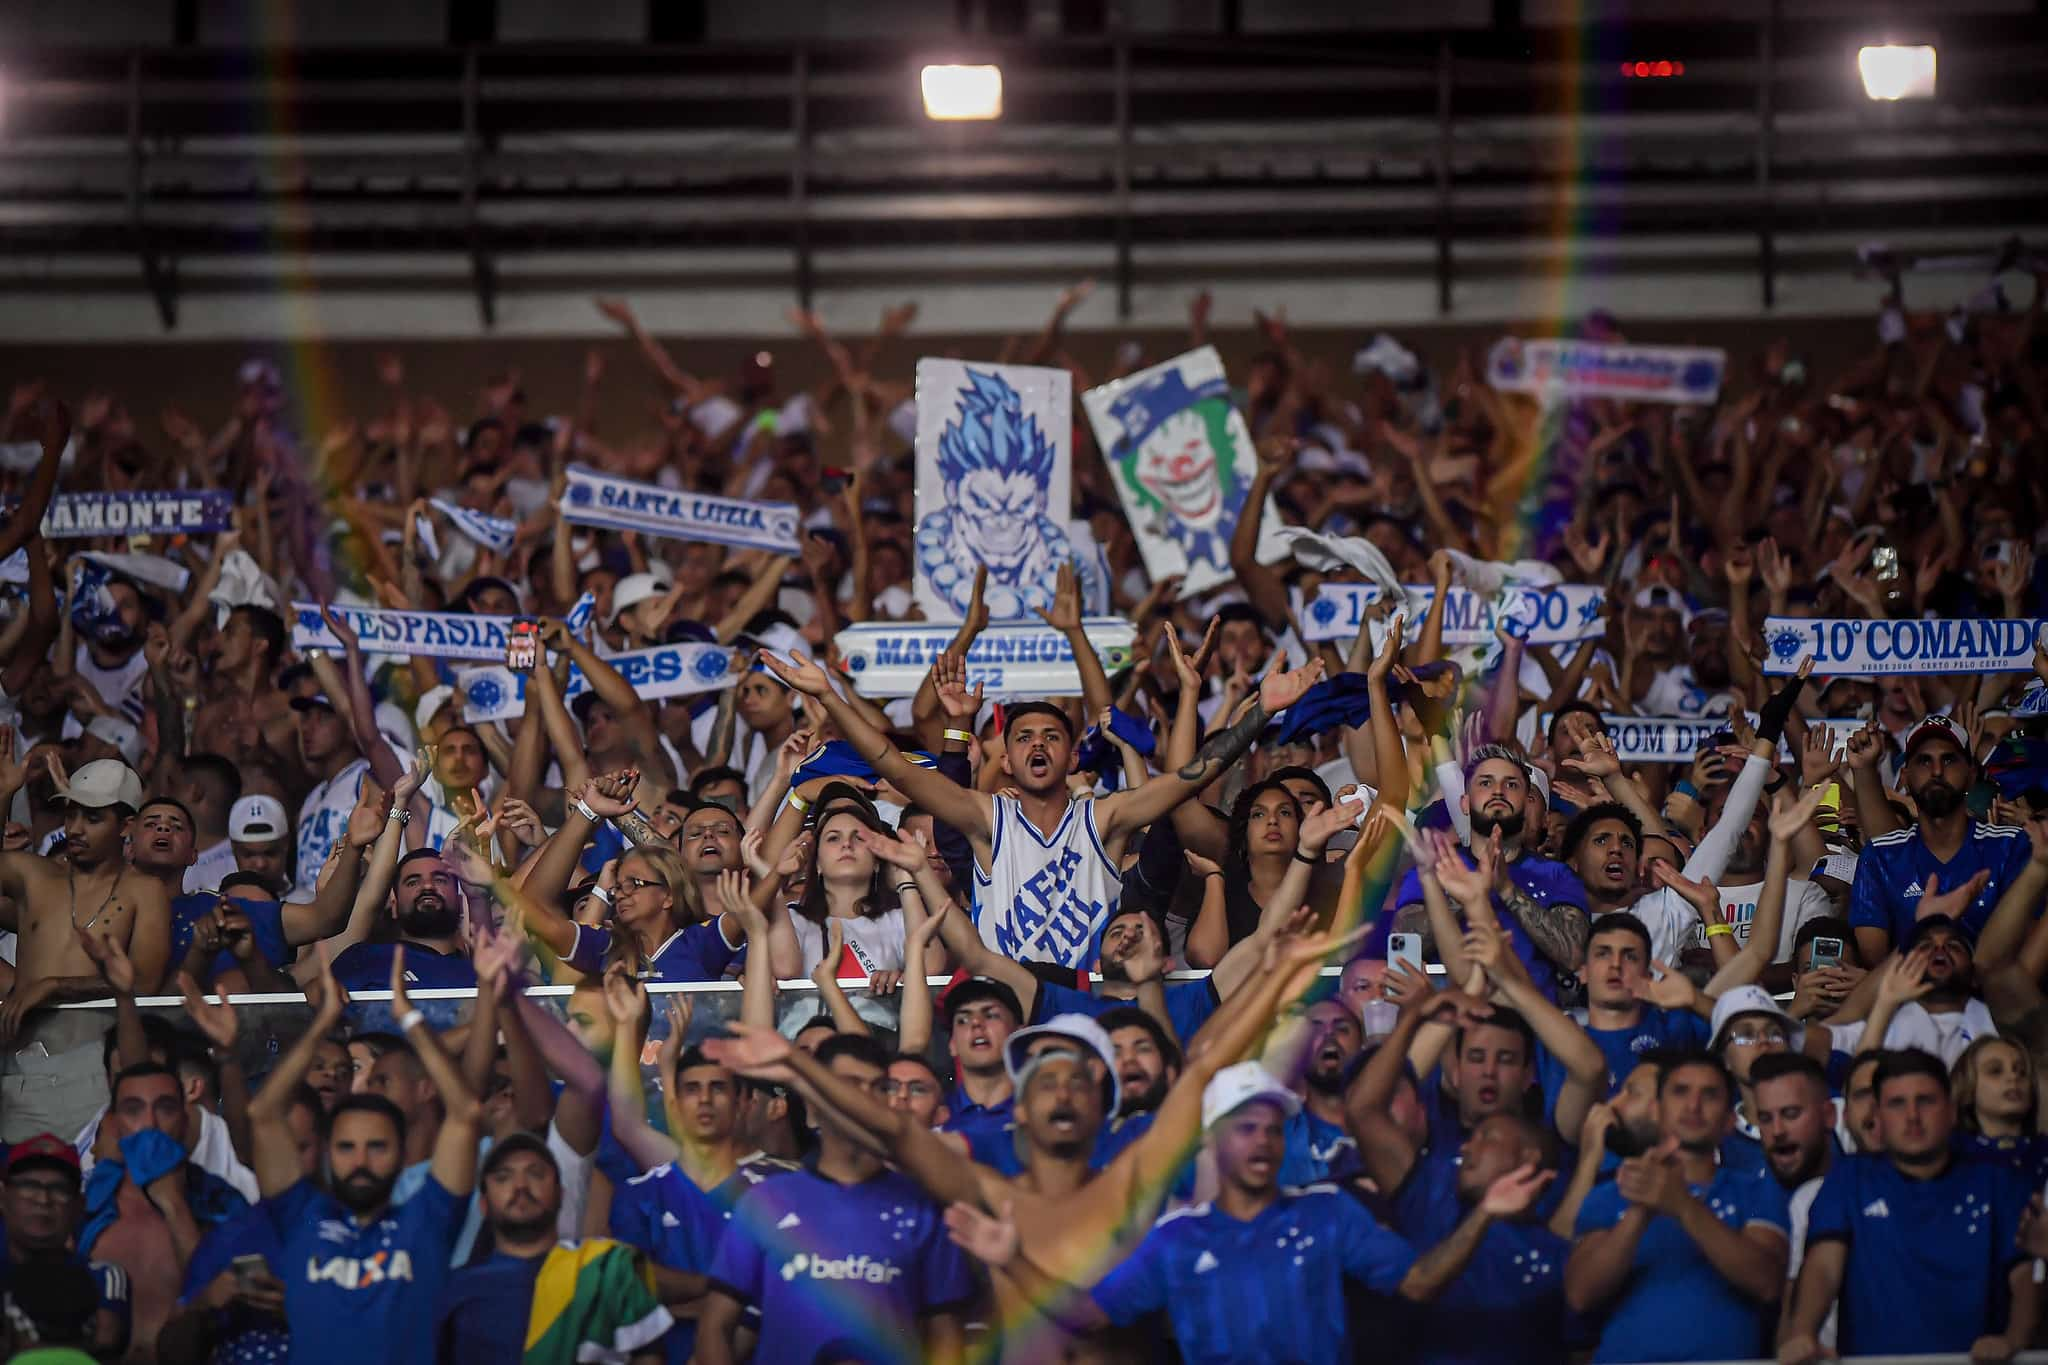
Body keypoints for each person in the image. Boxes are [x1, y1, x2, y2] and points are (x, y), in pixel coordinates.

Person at [758, 612, 1323, 969]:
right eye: (1023, 736)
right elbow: (897, 768)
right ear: (1007, 756)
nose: (1037, 745)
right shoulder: (985, 818)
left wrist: (1260, 716)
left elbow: (1190, 778)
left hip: (1090, 1002)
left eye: (1052, 736)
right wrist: (830, 697)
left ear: (1072, 755)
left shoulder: (1106, 817)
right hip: (1005, 1006)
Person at [948, 1060, 1555, 1365]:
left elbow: (1419, 1283)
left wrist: (1485, 1216)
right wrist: (1014, 1261)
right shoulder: (1177, 1237)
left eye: (1273, 1129)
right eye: (1246, 1128)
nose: (1264, 1142)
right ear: (1213, 1141)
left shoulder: (1328, 1212)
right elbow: (1084, 1315)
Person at [243, 948, 482, 1365]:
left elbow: (465, 1112)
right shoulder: (303, 1217)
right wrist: (321, 1027)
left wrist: (410, 1019)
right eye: (346, 1148)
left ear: (400, 1153)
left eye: (377, 1147)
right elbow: (262, 1113)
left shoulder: (426, 1221)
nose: (361, 1161)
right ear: (326, 1153)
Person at [696, 1034, 975, 1365]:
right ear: (814, 1101)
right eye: (849, 1085)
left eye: (878, 1087)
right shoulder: (766, 1202)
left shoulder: (922, 1207)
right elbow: (715, 1325)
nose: (864, 1099)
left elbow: (945, 1333)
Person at [1780, 1048, 2039, 1362]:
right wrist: (1803, 1332)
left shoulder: (2000, 1182)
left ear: (1952, 1111)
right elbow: (1823, 1266)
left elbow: (2025, 1275)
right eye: (1897, 1103)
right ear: (1879, 1115)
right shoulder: (1849, 1179)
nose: (1912, 1116)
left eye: (1926, 1101)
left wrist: (2014, 1341)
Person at [1566, 1053, 1790, 1362]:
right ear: (1657, 1110)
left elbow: (1767, 1283)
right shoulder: (1609, 1194)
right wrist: (1642, 1208)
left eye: (1709, 1095)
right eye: (1680, 1091)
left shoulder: (1757, 1190)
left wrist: (1682, 1205)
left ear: (1729, 1121)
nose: (1693, 1105)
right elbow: (1580, 1294)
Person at [0, 759, 171, 1143]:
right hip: (19, 1069)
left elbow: (144, 983)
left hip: (97, 1071)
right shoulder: (35, 874)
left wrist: (56, 986)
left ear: (126, 826)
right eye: (71, 813)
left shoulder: (144, 891)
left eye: (92, 818)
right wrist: (3, 795)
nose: (74, 828)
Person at [434, 1132, 672, 1365]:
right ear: (483, 1205)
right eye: (503, 1177)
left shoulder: (606, 1268)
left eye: (536, 1174)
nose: (520, 1185)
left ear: (560, 1195)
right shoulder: (457, 1288)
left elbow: (649, 1357)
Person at [76, 1062, 249, 1359]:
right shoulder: (83, 1209)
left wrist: (175, 1206)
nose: (151, 1125)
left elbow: (232, 1311)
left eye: (165, 1108)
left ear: (184, 1120)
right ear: (115, 1124)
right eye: (134, 1109)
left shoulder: (225, 1203)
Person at [1848, 715, 2029, 963]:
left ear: (1971, 774)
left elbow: (2027, 953)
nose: (1936, 771)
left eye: (1948, 759)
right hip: (1907, 999)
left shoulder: (2011, 845)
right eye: (1923, 761)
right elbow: (1873, 960)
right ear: (1905, 777)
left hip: (1993, 999)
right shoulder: (1880, 855)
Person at [2, 1133, 132, 1362]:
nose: (43, 1199)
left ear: (79, 1206)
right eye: (28, 1186)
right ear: (3, 1198)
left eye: (59, 1189)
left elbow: (105, 1341)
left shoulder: (102, 1277)